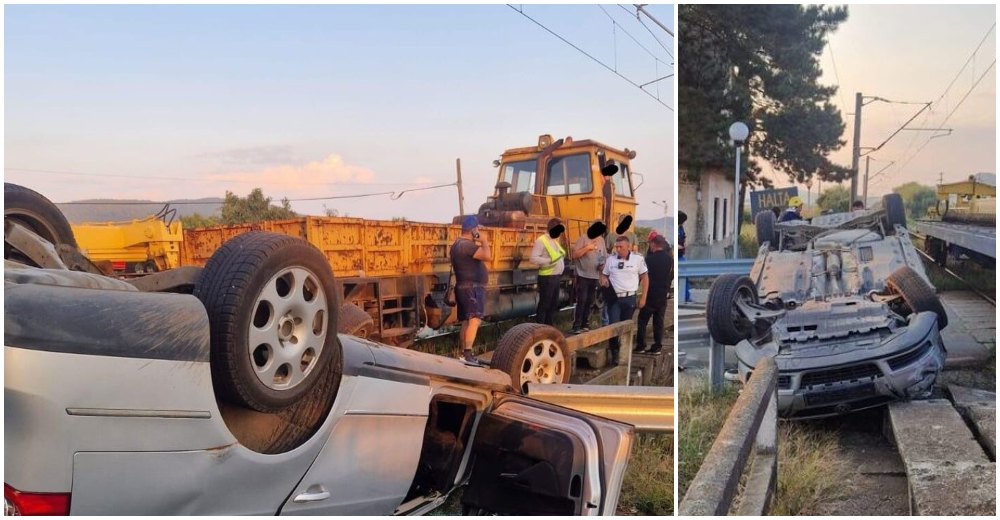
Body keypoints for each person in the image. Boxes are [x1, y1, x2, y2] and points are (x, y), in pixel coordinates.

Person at [599, 235, 649, 366]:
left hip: (629, 298)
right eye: (616, 246)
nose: (618, 249)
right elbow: (604, 274)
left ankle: (624, 352)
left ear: (628, 247)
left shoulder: (638, 259)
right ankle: (615, 353)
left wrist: (643, 297)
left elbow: (645, 278)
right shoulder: (610, 260)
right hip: (614, 298)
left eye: (621, 247)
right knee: (614, 325)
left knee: (626, 326)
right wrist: (603, 280)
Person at [450, 215, 492, 363]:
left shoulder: (457, 244)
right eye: (478, 229)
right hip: (472, 289)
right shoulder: (466, 245)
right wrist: (484, 240)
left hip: (464, 287)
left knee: (467, 322)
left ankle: (463, 354)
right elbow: (487, 256)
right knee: (474, 320)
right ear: (474, 230)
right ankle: (467, 355)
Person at [570, 220, 607, 334]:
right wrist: (587, 248)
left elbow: (603, 256)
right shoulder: (583, 238)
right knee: (582, 300)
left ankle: (585, 323)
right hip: (582, 275)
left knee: (590, 301)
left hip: (594, 275)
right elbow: (574, 255)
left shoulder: (601, 240)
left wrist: (602, 267)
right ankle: (577, 325)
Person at [636, 234, 669, 354]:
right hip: (663, 295)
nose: (649, 245)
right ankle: (657, 346)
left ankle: (640, 346)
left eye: (650, 243)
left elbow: (643, 276)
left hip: (650, 295)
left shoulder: (648, 260)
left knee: (642, 321)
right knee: (658, 322)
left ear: (654, 244)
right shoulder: (669, 259)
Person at [530, 217, 566, 325]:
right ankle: (540, 326)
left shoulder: (554, 241)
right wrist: (549, 261)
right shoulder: (541, 241)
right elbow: (533, 258)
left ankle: (548, 326)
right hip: (547, 277)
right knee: (545, 304)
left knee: (553, 304)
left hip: (555, 277)